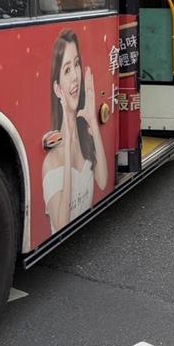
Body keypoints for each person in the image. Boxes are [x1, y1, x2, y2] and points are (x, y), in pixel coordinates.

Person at [42, 30, 109, 233]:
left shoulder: (84, 135)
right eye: (67, 70)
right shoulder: (51, 160)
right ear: (57, 88)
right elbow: (62, 224)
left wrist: (92, 123)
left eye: (77, 65)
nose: (75, 78)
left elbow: (103, 181)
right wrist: (68, 141)